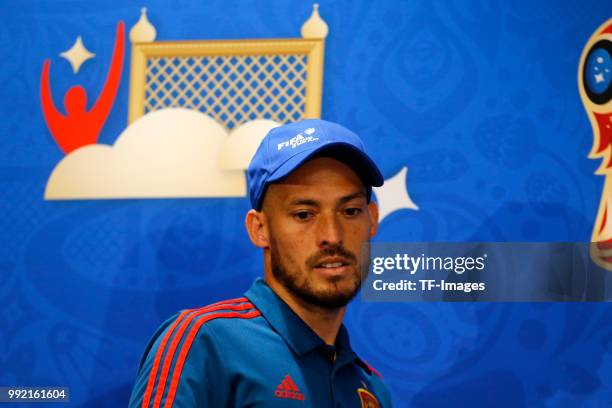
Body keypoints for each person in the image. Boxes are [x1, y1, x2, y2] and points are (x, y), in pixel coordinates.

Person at [129, 119, 392, 407]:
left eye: (350, 211)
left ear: (373, 218)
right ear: (259, 229)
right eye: (304, 214)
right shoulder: (203, 342)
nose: (332, 236)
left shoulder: (371, 388)